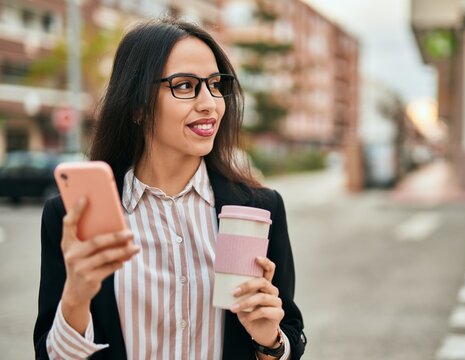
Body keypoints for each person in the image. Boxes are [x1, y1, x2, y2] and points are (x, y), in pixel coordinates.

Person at [33, 18, 306, 360]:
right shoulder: (73, 215)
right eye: (185, 85)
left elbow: (289, 334)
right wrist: (75, 299)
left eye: (216, 84)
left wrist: (270, 341)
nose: (210, 103)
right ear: (137, 105)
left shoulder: (260, 208)